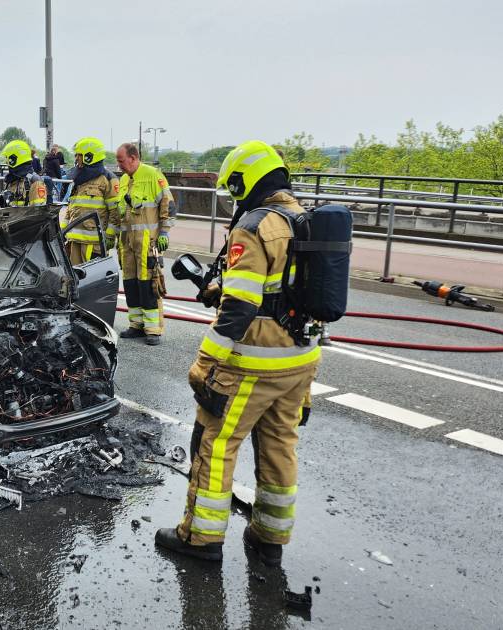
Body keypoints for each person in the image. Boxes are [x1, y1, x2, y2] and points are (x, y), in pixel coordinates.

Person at [155, 140, 320, 567]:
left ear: (244, 181)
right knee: (280, 446)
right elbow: (279, 289)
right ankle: (269, 538)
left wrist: (205, 364)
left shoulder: (254, 226)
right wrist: (222, 287)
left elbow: (241, 308)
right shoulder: (304, 220)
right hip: (300, 362)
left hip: (252, 363)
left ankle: (200, 538)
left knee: (216, 443)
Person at [107, 142, 174, 344]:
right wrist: (112, 236)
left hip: (147, 242)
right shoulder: (124, 179)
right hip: (127, 242)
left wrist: (164, 232)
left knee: (148, 284)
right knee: (131, 283)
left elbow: (168, 205)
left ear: (133, 158)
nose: (119, 165)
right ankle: (136, 324)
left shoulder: (153, 175)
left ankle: (153, 329)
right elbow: (119, 212)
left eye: (121, 161)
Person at [62, 137, 119, 264]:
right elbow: (71, 207)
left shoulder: (108, 179)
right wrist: (62, 230)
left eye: (79, 155)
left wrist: (110, 236)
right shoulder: (78, 178)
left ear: (89, 156)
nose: (76, 159)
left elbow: (115, 211)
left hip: (94, 244)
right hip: (74, 241)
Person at [0, 140, 48, 207]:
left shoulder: (35, 181)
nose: (7, 162)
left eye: (8, 159)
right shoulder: (12, 179)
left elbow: (38, 211)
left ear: (15, 159)